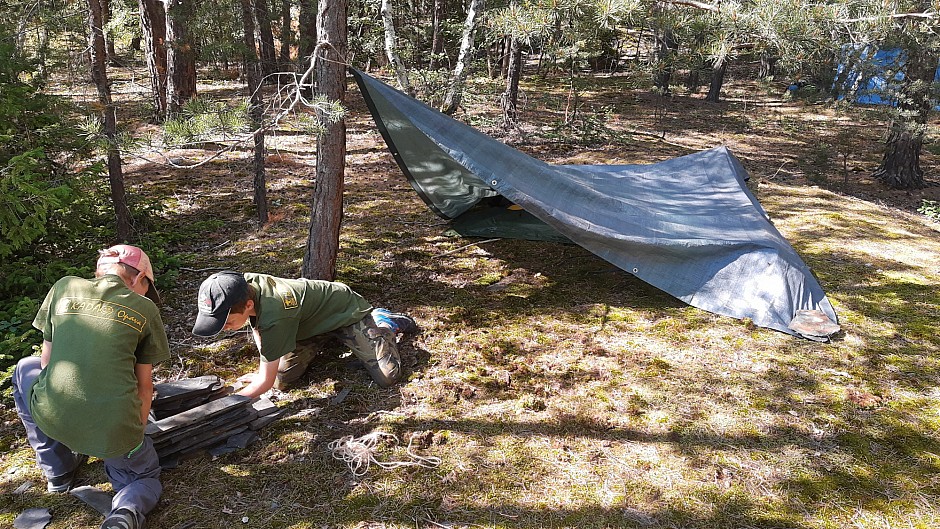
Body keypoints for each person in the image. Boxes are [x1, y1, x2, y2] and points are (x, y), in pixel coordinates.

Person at [11, 245, 170, 529]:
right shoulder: (145, 309)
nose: (146, 294)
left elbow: (46, 364)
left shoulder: (64, 287)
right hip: (113, 428)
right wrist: (134, 434)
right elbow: (144, 387)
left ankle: (58, 471)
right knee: (144, 478)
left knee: (25, 367)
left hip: (54, 414)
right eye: (147, 286)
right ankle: (125, 512)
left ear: (99, 272)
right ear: (139, 277)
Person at [191, 271, 418, 398]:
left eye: (228, 322)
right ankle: (330, 340)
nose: (225, 329)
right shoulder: (239, 285)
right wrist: (263, 369)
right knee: (283, 381)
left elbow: (265, 382)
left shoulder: (276, 311)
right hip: (306, 324)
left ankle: (383, 321)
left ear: (248, 304)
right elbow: (259, 327)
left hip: (345, 312)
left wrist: (230, 403)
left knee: (388, 376)